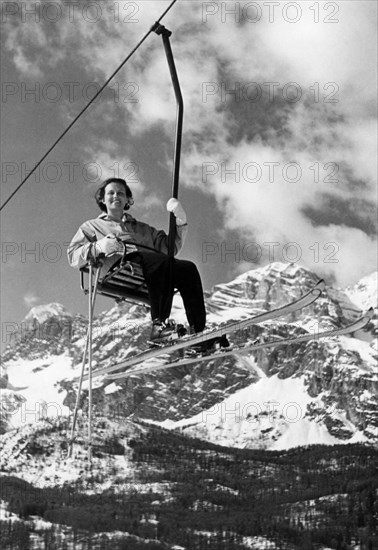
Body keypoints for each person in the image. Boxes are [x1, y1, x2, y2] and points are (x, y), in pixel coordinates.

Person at [67, 177, 207, 342]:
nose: (116, 196)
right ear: (102, 199)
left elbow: (169, 249)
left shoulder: (142, 228)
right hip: (121, 264)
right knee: (160, 261)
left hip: (152, 266)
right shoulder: (91, 226)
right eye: (110, 193)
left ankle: (198, 331)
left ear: (127, 199)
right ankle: (159, 325)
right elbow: (73, 256)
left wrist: (180, 222)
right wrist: (99, 247)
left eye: (121, 193)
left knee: (188, 268)